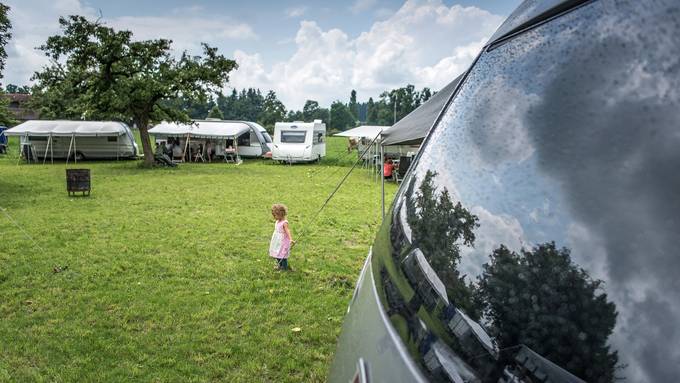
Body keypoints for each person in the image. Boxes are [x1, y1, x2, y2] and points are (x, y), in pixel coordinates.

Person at [269, 203, 295, 271]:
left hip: (282, 241)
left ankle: (284, 267)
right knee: (277, 253)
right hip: (277, 240)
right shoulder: (278, 221)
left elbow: (287, 231)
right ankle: (280, 265)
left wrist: (291, 239)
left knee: (283, 255)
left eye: (275, 215)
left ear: (280, 214)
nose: (274, 217)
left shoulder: (284, 223)